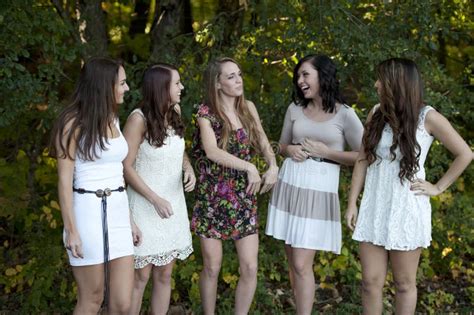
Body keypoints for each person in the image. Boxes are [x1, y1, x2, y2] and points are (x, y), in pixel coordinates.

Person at [345, 58, 473, 314]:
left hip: (406, 207)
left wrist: (438, 187)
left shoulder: (428, 117)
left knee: (404, 284)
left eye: (381, 79)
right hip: (375, 206)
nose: (376, 84)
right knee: (370, 283)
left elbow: (465, 154)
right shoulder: (375, 113)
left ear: (397, 83)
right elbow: (362, 159)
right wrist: (351, 203)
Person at [265, 54, 364, 314]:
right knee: (292, 264)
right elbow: (281, 145)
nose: (300, 81)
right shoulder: (294, 110)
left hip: (319, 193)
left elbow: (365, 156)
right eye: (298, 76)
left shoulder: (345, 115)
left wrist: (326, 152)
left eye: (305, 74)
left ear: (323, 76)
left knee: (300, 263)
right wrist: (290, 150)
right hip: (290, 187)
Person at [50, 57, 141, 314]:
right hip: (86, 214)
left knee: (123, 304)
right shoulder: (71, 123)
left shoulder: (112, 117)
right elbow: (64, 181)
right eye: (121, 83)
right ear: (104, 85)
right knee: (92, 298)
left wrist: (130, 220)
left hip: (119, 213)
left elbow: (115, 171)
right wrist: (71, 230)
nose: (126, 88)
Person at [191, 57, 278, 314]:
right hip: (213, 198)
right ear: (217, 83)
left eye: (239, 74)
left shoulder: (248, 107)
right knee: (212, 267)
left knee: (250, 266)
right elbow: (212, 151)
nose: (238, 80)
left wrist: (272, 165)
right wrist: (250, 167)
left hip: (243, 196)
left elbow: (263, 141)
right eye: (230, 76)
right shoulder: (205, 113)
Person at [122, 63, 195, 315]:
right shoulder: (137, 119)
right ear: (161, 87)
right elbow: (125, 166)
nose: (181, 87)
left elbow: (177, 148)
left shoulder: (175, 111)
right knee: (140, 277)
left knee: (165, 274)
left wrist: (188, 167)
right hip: (144, 205)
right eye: (177, 83)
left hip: (172, 206)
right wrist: (154, 199)